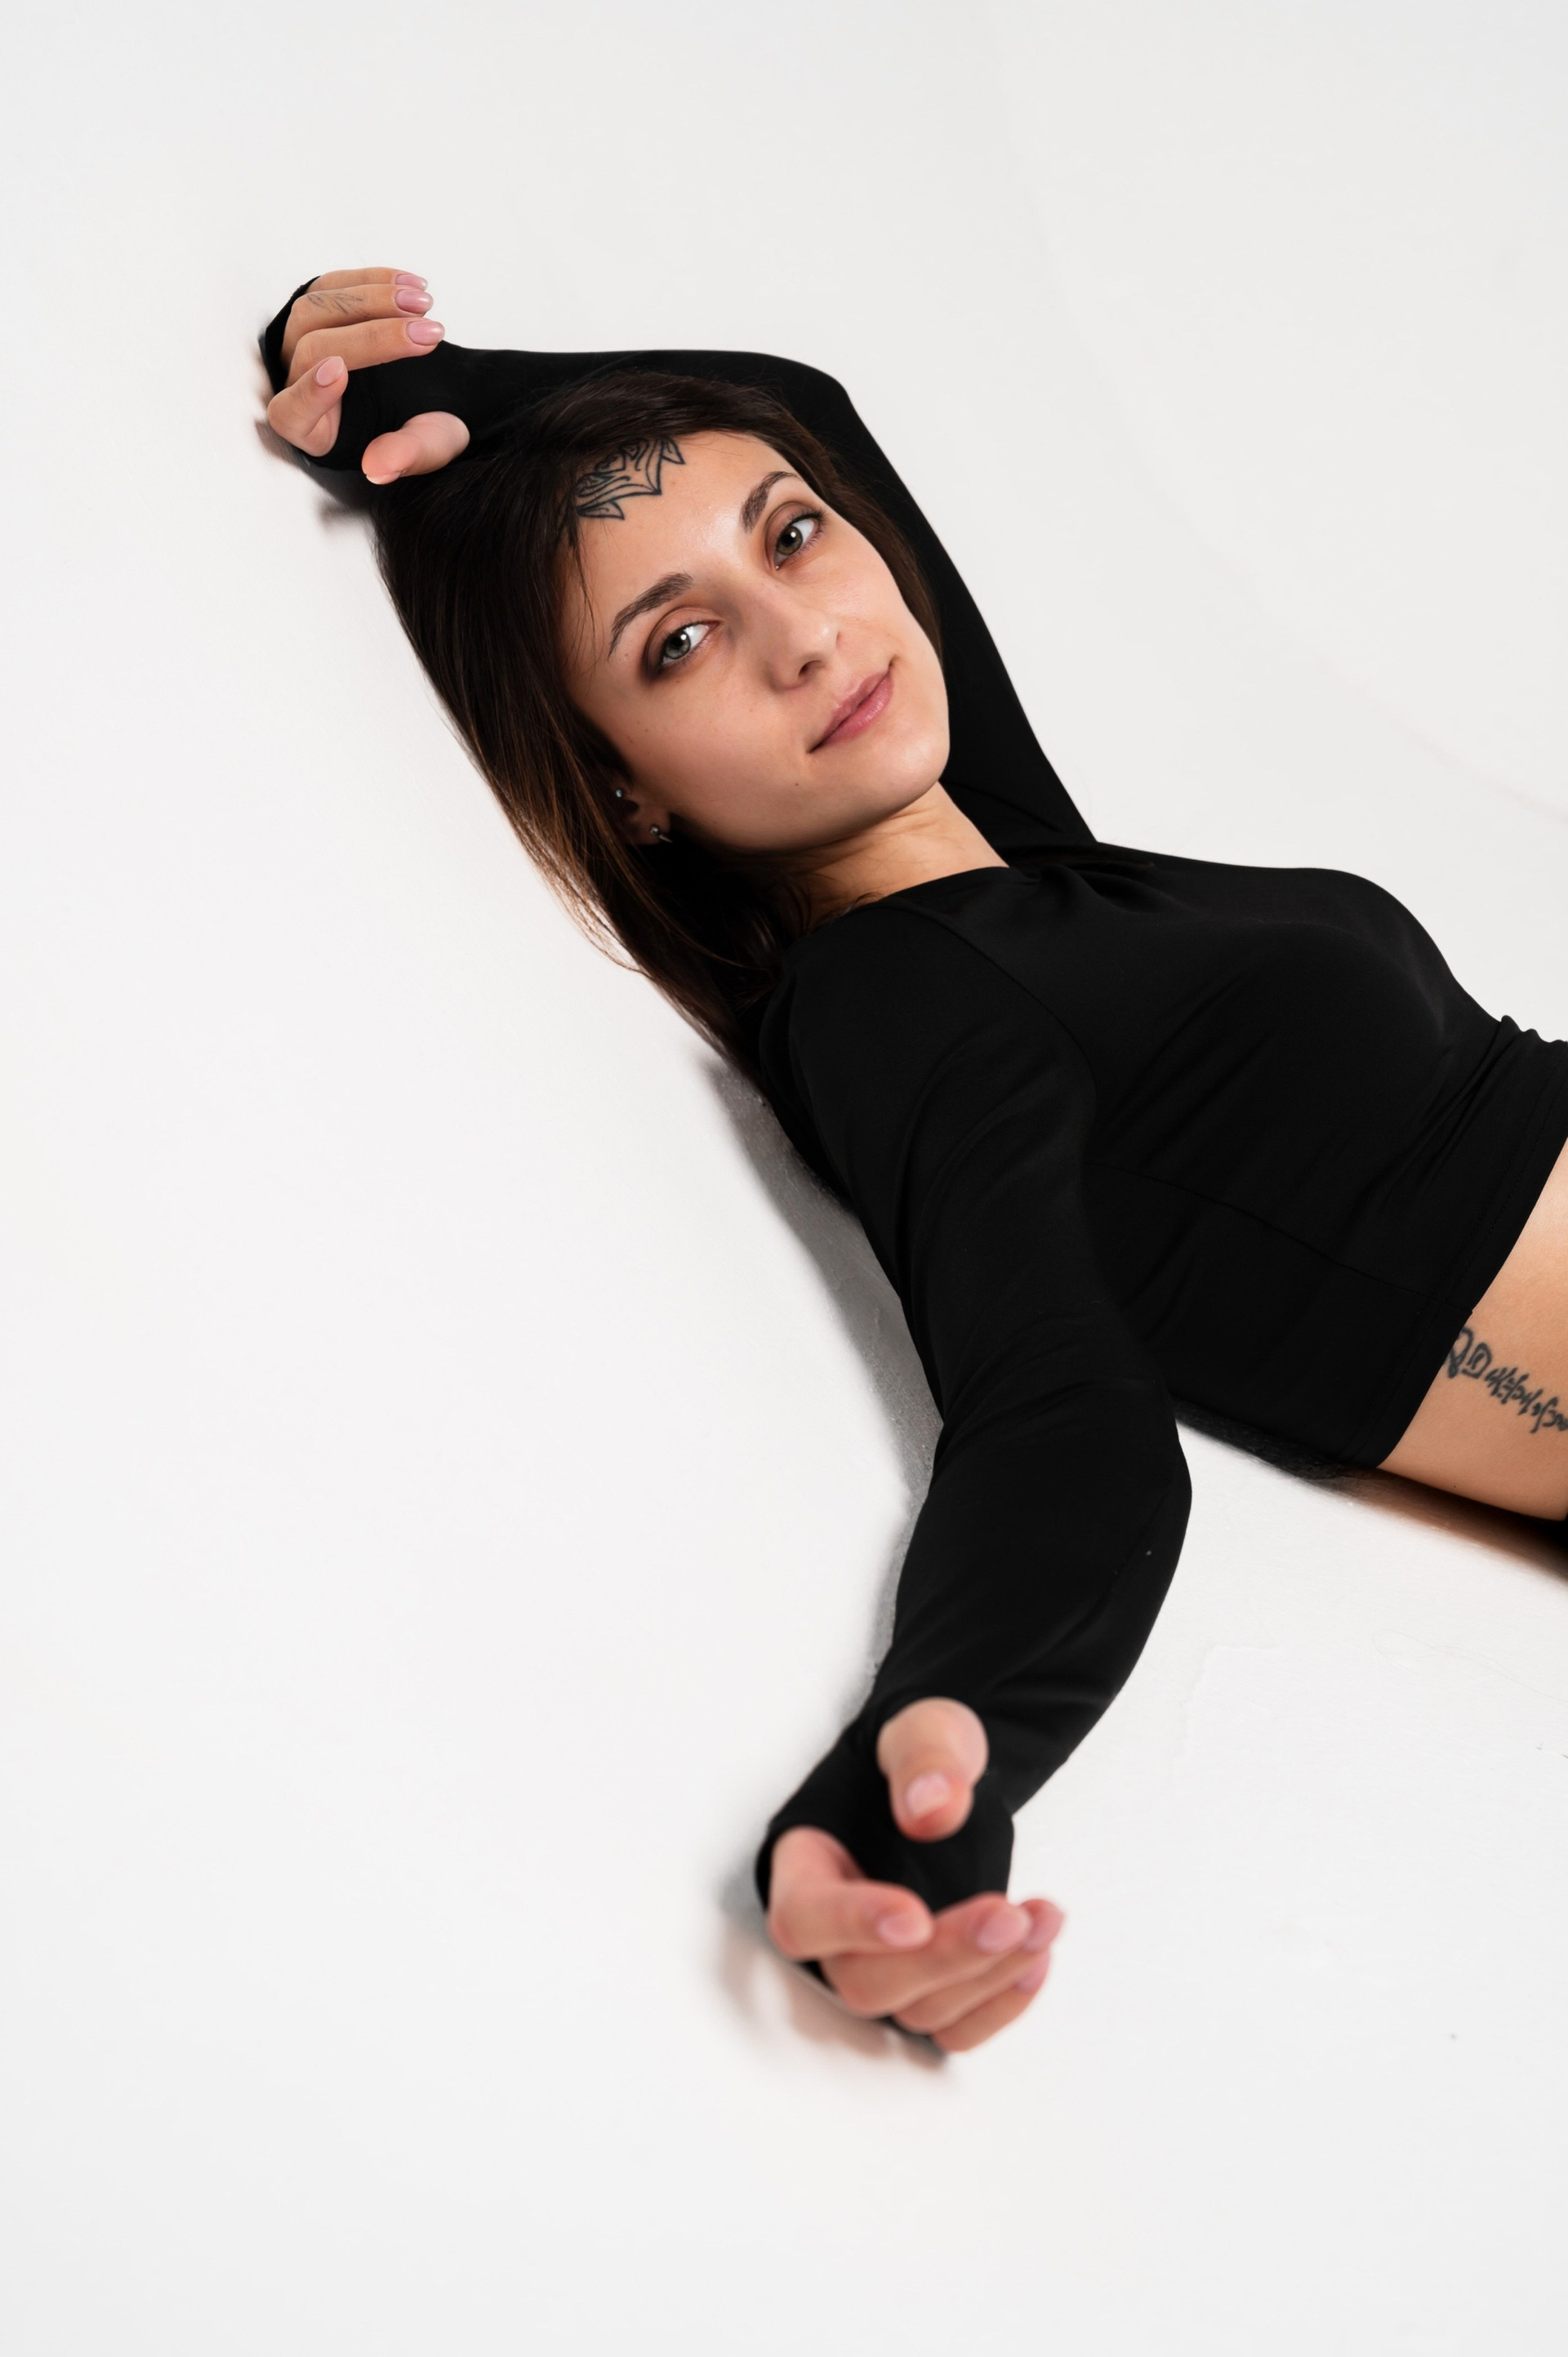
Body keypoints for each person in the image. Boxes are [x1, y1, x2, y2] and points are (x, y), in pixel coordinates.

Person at [261, 268, 1568, 2053]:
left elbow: (788, 398)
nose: (804, 637)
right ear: (625, 792)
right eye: (678, 643)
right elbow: (1059, 1415)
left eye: (795, 537)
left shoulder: (1024, 869)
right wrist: (931, 1764)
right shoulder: (895, 994)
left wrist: (437, 393)